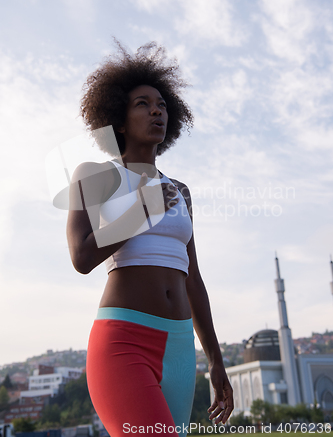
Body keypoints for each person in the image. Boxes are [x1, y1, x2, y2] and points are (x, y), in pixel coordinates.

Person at [66, 42, 233, 437]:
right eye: (142, 103)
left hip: (179, 349)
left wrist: (215, 359)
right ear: (118, 121)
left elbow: (192, 277)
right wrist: (142, 210)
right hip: (124, 339)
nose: (156, 110)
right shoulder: (93, 175)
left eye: (161, 104)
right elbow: (81, 256)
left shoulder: (180, 190)